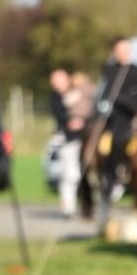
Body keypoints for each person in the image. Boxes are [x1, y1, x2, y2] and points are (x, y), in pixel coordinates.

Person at [95, 37, 137, 200]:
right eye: (120, 51)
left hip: (133, 114)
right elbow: (103, 95)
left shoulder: (135, 70)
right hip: (115, 116)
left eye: (126, 51)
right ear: (114, 52)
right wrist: (106, 104)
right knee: (115, 138)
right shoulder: (109, 70)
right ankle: (111, 175)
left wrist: (125, 99)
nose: (124, 54)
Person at [49, 67, 83, 219]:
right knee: (70, 175)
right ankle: (68, 207)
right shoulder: (55, 98)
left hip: (83, 138)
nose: (58, 83)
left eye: (60, 79)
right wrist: (71, 121)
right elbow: (61, 116)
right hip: (67, 140)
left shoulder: (78, 92)